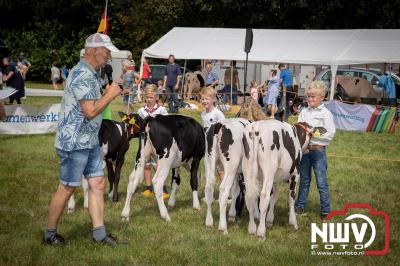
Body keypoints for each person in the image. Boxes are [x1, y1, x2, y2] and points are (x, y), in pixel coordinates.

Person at [44, 33, 122, 246]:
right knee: (68, 187)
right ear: (93, 50)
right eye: (106, 51)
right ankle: (50, 234)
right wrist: (112, 93)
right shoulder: (81, 74)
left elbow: (95, 106)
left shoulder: (93, 74)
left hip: (89, 140)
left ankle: (99, 234)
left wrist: (108, 91)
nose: (108, 55)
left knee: (97, 183)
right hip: (74, 142)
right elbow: (90, 111)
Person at [295, 81, 336, 219]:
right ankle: (299, 206)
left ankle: (326, 210)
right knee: (304, 180)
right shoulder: (304, 112)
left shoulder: (326, 113)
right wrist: (305, 133)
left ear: (322, 97)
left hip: (318, 152)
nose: (310, 99)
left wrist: (312, 132)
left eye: (313, 97)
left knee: (321, 182)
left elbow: (329, 133)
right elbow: (298, 129)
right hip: (305, 151)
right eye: (309, 96)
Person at [137, 84, 169, 199]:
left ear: (156, 98)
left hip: (158, 142)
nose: (149, 99)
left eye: (151, 97)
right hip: (145, 142)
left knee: (158, 166)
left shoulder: (162, 110)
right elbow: (139, 126)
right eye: (147, 97)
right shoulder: (141, 111)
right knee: (146, 165)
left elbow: (167, 125)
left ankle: (163, 188)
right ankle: (148, 187)